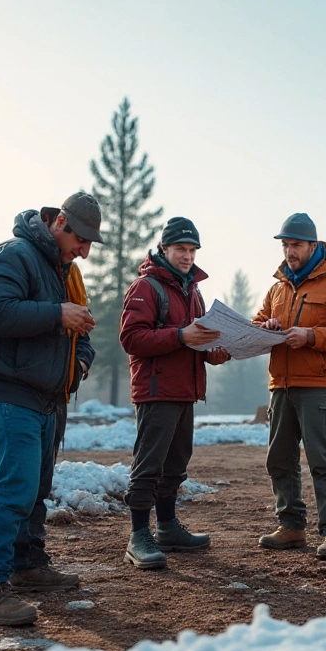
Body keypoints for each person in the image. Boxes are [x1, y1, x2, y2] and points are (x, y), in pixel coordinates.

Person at [0, 192, 101, 624]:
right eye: (81, 239)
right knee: (14, 488)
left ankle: (27, 566)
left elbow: (83, 335)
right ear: (60, 222)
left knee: (35, 489)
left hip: (48, 399)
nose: (85, 251)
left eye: (92, 243)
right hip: (10, 395)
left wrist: (80, 360)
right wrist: (58, 314)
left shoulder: (63, 272)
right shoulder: (13, 254)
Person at [119, 217, 229, 569]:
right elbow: (131, 339)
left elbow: (196, 339)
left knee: (176, 465)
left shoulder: (192, 290)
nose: (187, 255)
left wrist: (215, 351)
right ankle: (138, 536)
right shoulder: (146, 287)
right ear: (164, 248)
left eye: (192, 249)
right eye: (181, 248)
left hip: (185, 390)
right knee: (148, 466)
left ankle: (166, 528)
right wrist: (182, 336)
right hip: (156, 391)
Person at [254, 212, 326, 560]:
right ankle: (291, 526)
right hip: (280, 385)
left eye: (296, 245)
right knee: (279, 460)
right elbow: (256, 325)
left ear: (313, 246)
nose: (289, 251)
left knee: (322, 460)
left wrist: (312, 336)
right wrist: (267, 326)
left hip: (318, 386)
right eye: (286, 245)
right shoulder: (277, 288)